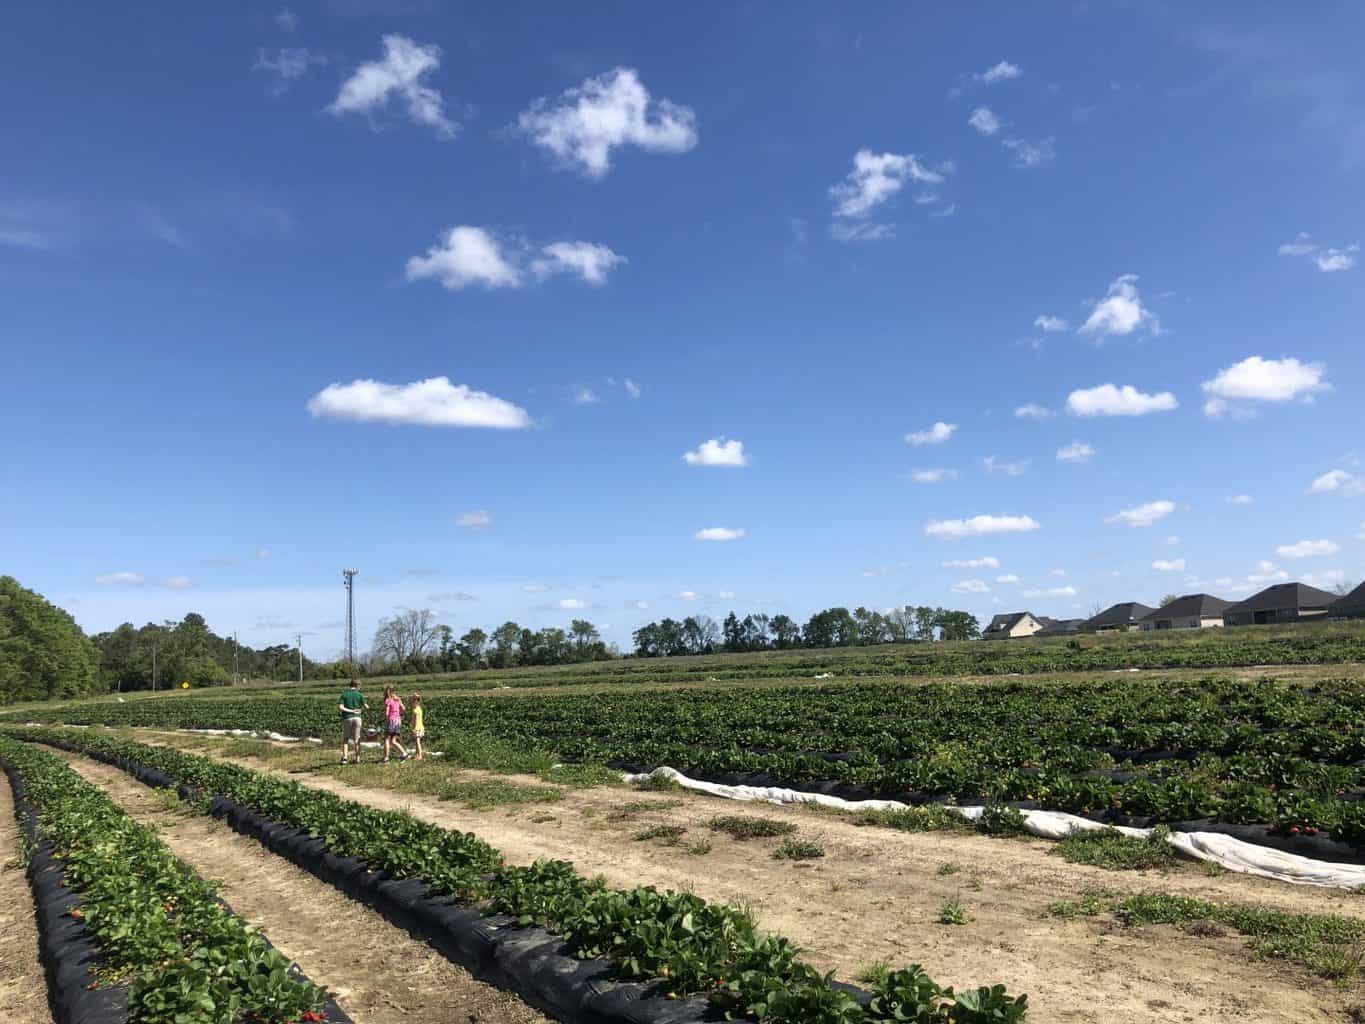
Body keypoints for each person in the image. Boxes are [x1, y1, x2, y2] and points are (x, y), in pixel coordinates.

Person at [338, 679, 367, 765]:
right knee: (357, 739)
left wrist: (350, 711)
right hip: (358, 718)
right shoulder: (360, 695)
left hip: (347, 717)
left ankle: (345, 758)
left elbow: (340, 707)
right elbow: (366, 706)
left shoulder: (344, 694)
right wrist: (359, 710)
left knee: (346, 739)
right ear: (358, 686)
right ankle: (357, 759)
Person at [381, 686, 409, 763]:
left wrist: (386, 720)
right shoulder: (398, 699)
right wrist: (399, 714)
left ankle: (386, 758)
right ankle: (404, 753)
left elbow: (387, 713)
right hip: (398, 721)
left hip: (391, 721)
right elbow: (403, 708)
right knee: (393, 741)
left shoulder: (388, 700)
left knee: (386, 739)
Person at [410, 693, 425, 761]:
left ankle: (420, 756)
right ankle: (417, 755)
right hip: (421, 727)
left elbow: (415, 721)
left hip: (417, 728)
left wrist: (413, 728)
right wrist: (417, 696)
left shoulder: (415, 710)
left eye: (413, 701)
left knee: (417, 742)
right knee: (417, 742)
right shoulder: (419, 708)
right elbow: (420, 700)